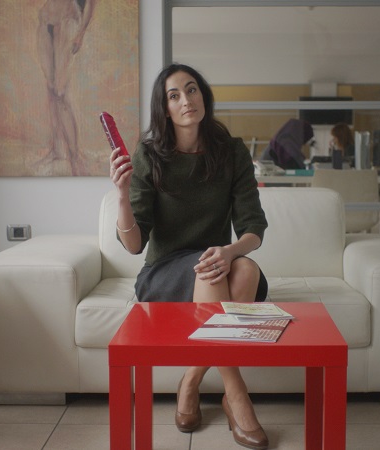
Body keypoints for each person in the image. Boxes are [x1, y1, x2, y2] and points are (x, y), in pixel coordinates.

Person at [109, 63, 270, 450]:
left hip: (217, 263)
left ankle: (191, 381)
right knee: (211, 272)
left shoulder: (231, 152)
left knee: (245, 270)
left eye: (192, 89)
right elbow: (134, 244)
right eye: (174, 95)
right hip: (164, 271)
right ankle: (237, 397)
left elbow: (253, 228)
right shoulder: (149, 155)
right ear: (165, 109)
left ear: (203, 96)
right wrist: (122, 196)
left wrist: (230, 251)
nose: (186, 100)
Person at [36, 0, 96, 175]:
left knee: (61, 92)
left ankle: (74, 156)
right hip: (45, 22)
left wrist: (81, 34)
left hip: (67, 23)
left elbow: (92, 2)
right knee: (51, 90)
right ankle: (56, 150)